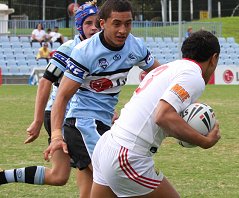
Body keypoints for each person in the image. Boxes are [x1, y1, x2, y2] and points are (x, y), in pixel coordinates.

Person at [43, 0, 160, 197]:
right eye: (116, 23)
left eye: (128, 23)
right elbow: (62, 97)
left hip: (107, 125)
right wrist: (56, 136)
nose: (123, 30)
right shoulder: (85, 51)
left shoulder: (136, 46)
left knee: (101, 187)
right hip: (82, 124)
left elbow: (159, 73)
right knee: (115, 179)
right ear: (102, 23)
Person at [90, 30, 221, 198]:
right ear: (214, 58)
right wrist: (204, 141)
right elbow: (163, 116)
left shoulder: (169, 67)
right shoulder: (193, 76)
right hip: (127, 154)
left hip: (108, 144)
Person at [0, 1, 100, 197]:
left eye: (97, 23)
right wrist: (37, 121)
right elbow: (45, 82)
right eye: (88, 23)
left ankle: (3, 177)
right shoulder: (70, 49)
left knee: (59, 176)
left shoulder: (100, 49)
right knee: (98, 171)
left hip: (81, 116)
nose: (94, 27)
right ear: (79, 26)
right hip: (61, 116)